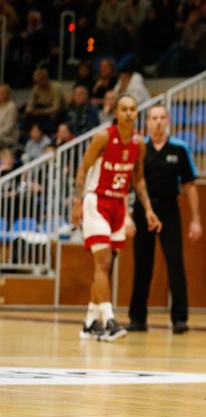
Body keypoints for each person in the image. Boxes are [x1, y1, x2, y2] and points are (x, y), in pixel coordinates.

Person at [71, 95, 162, 341]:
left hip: (118, 206)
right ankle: (109, 320)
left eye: (133, 109)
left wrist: (148, 210)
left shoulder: (138, 144)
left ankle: (90, 321)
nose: (130, 113)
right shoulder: (103, 137)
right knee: (103, 263)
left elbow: (139, 178)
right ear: (117, 113)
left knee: (106, 267)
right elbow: (83, 169)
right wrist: (77, 203)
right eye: (125, 109)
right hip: (97, 202)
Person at [127, 104, 202, 334]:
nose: (158, 122)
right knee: (142, 265)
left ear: (168, 121)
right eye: (153, 118)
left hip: (170, 210)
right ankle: (137, 318)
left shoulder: (179, 148)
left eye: (162, 117)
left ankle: (179, 318)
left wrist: (195, 219)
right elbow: (129, 182)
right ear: (147, 122)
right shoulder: (140, 148)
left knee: (175, 263)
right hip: (142, 211)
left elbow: (190, 185)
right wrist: (127, 217)